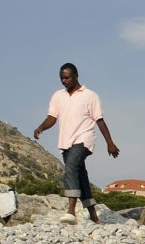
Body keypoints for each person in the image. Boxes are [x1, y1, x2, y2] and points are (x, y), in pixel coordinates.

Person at [33, 62, 120, 224]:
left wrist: (110, 143)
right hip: (66, 142)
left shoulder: (90, 96)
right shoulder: (58, 96)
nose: (64, 81)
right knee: (80, 176)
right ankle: (94, 215)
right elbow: (52, 118)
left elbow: (99, 120)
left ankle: (71, 211)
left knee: (71, 168)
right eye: (61, 78)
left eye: (67, 77)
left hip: (84, 139)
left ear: (76, 76)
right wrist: (41, 127)